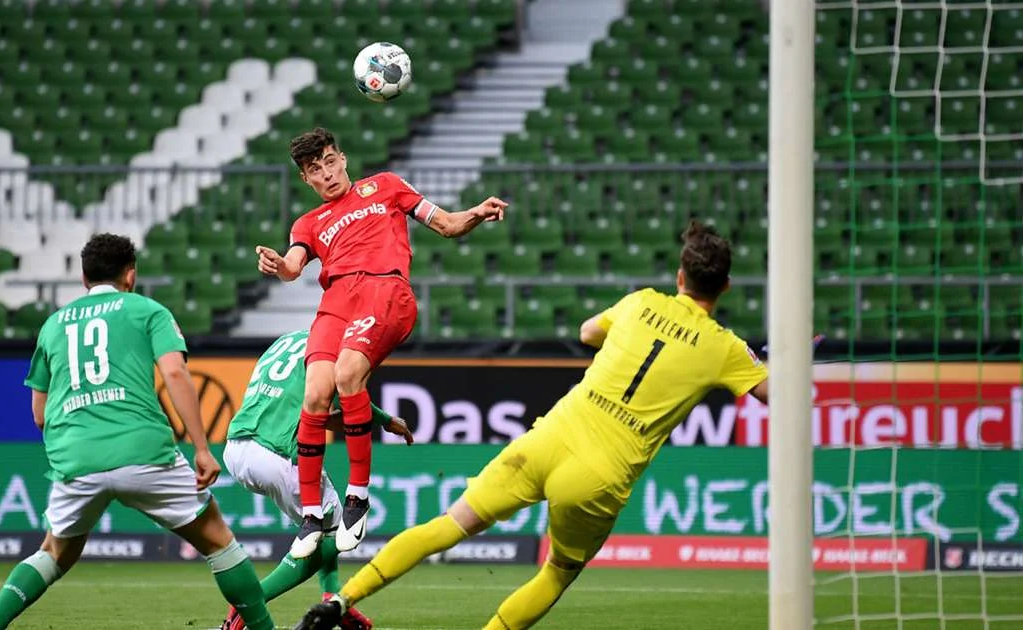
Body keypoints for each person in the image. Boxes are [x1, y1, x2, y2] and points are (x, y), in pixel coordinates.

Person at [295, 221, 774, 630]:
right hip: (598, 476)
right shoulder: (725, 348)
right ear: (725, 287)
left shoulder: (641, 302)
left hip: (549, 439)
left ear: (680, 276)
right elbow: (775, 394)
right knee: (556, 573)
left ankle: (341, 600)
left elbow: (587, 332)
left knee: (447, 525)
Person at [0, 234, 273, 630]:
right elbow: (174, 373)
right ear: (130, 276)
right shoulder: (148, 310)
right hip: (144, 450)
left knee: (54, 552)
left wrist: (76, 450)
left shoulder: (52, 326)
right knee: (217, 540)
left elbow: (40, 415)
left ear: (84, 278)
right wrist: (202, 449)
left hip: (76, 458)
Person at [255, 127, 508, 559]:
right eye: (315, 169)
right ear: (306, 179)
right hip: (336, 300)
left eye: (330, 161)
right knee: (315, 394)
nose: (326, 173)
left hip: (384, 290)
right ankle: (311, 515)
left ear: (343, 158)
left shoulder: (386, 186)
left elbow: (446, 224)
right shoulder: (308, 223)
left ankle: (357, 496)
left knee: (347, 374)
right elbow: (293, 267)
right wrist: (278, 265)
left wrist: (477, 212)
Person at [219, 328, 415, 630]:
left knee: (324, 519)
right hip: (277, 454)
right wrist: (386, 420)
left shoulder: (287, 340)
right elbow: (352, 401)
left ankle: (331, 598)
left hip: (236, 447)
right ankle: (249, 604)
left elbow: (320, 414)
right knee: (339, 531)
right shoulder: (332, 348)